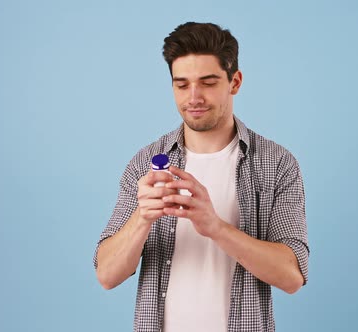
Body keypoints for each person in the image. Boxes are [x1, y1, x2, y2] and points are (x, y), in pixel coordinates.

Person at [94, 22, 309, 332]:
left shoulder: (276, 163)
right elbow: (107, 275)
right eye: (182, 85)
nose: (193, 97)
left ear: (234, 82)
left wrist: (216, 228)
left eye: (207, 83)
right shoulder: (145, 162)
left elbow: (292, 276)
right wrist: (142, 218)